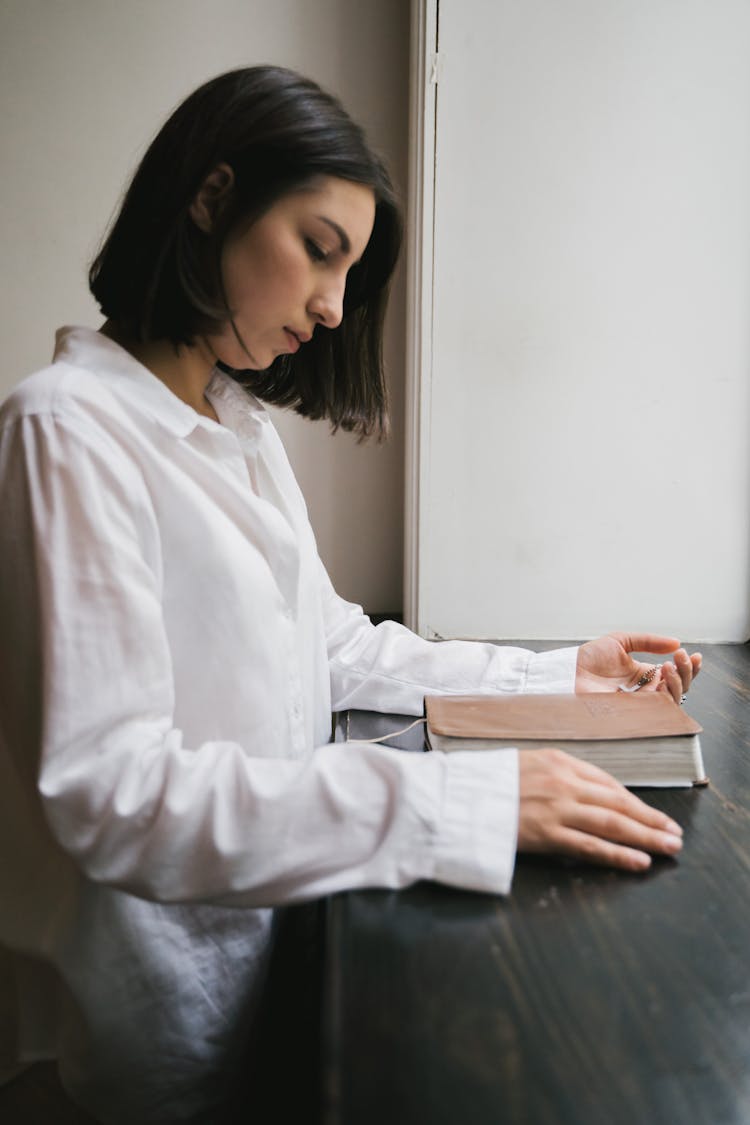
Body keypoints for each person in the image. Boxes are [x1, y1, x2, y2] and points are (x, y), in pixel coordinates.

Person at [0, 65, 700, 1124]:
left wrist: (563, 673)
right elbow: (113, 791)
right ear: (211, 198)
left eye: (348, 271)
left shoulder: (237, 431)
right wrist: (457, 802)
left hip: (260, 975)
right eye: (320, 250)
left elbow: (336, 651)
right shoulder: (66, 431)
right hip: (129, 1052)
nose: (332, 306)